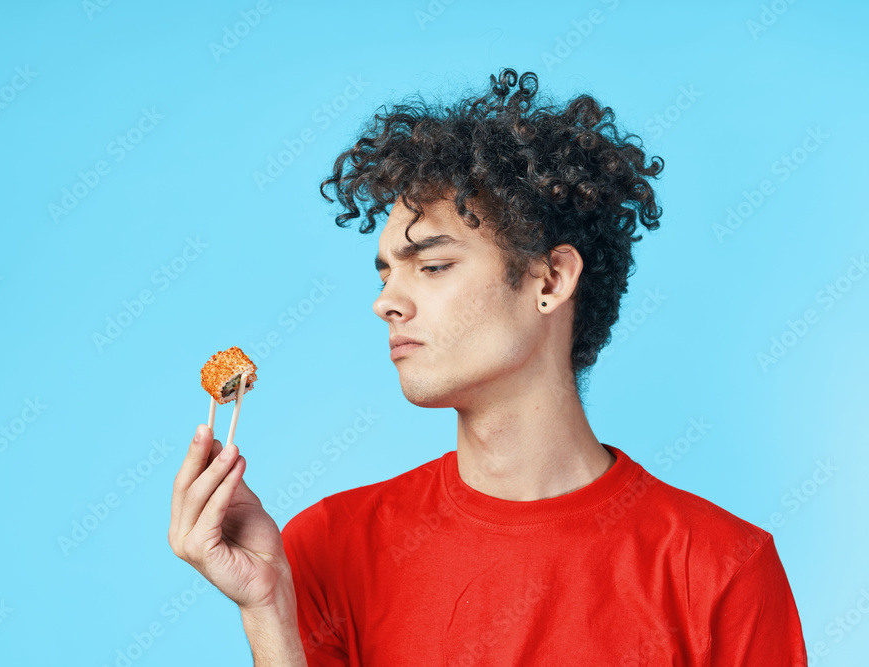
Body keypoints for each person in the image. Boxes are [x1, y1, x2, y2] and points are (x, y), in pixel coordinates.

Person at [169, 68, 807, 666]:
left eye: (433, 266)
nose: (386, 302)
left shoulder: (722, 568)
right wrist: (267, 613)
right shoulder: (326, 546)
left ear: (550, 280)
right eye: (386, 274)